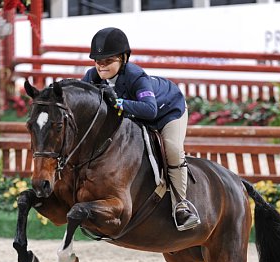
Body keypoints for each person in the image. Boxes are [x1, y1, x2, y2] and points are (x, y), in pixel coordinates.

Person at [82, 27, 200, 231]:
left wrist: (118, 103)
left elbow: (150, 110)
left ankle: (181, 204)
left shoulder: (137, 76)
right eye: (98, 61)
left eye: (108, 60)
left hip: (168, 110)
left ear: (123, 58)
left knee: (172, 148)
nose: (102, 66)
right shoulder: (91, 77)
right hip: (136, 114)